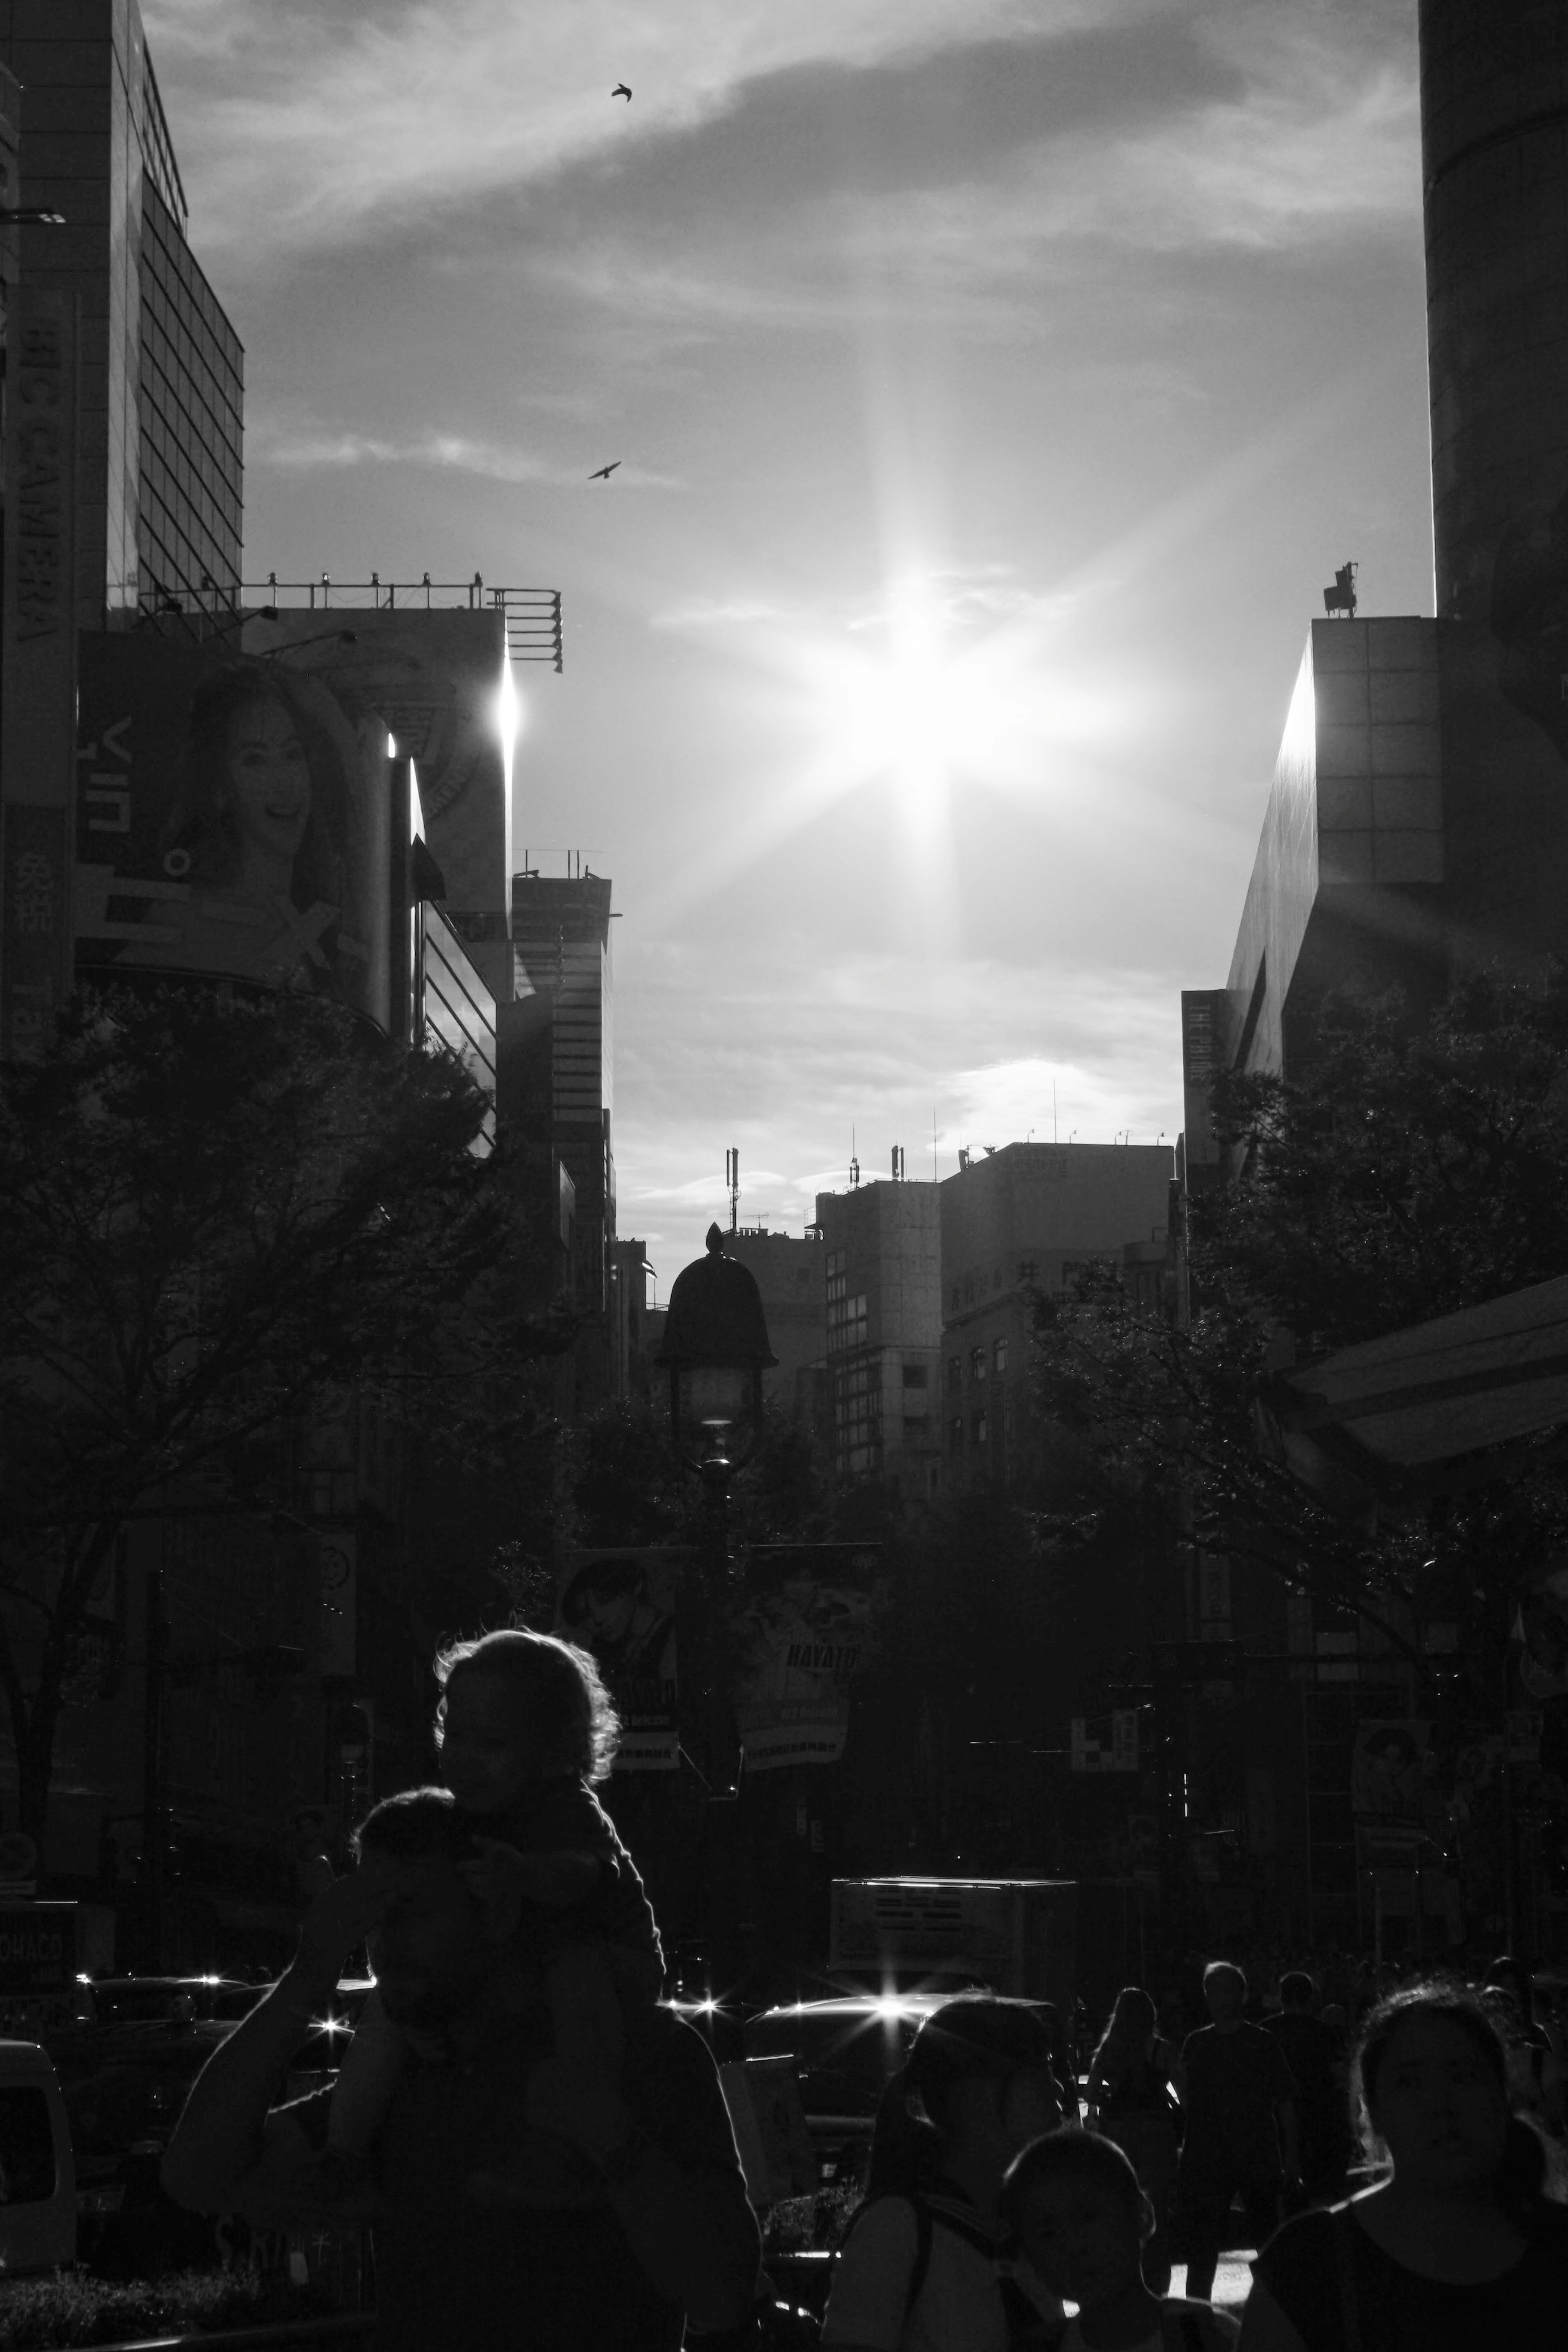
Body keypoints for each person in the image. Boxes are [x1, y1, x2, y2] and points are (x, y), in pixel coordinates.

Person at [160, 1786, 758, 2352]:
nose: (385, 1944)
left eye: (413, 1912)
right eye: (374, 1918)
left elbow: (723, 2297)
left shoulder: (646, 2051)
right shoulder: (400, 2079)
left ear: (497, 1912)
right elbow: (196, 2177)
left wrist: (610, 2137)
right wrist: (306, 1975)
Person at [327, 1629, 664, 2160]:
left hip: (614, 1967)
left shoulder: (563, 1805)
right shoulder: (460, 1819)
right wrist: (418, 2009)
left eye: (492, 1744)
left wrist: (526, 1873)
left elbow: (586, 1874)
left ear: (554, 1749)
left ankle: (588, 2124)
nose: (466, 1758)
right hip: (520, 1967)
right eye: (456, 1736)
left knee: (575, 1971)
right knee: (394, 2002)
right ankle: (342, 2150)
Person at [1240, 1979, 1568, 2350]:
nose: (1441, 2103)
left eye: (1464, 2075)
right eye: (1409, 2082)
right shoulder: (1308, 2268)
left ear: (1503, 2096)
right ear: (1374, 2110)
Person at [821, 1995, 1066, 2351]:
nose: (1057, 2087)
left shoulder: (1020, 2230)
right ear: (978, 2095)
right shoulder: (894, 2229)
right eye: (1041, 2067)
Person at [1003, 2125, 1239, 2350]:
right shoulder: (1208, 2335)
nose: (1073, 2245)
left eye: (1088, 2217)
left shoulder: (1211, 2339)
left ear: (1142, 2217)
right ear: (1027, 2256)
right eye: (1049, 2233)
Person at [1175, 1962, 1299, 2301]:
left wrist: (1293, 2157)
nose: (1217, 1998)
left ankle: (1279, 2307)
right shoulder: (1197, 2043)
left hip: (1253, 2153)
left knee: (1265, 2239)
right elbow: (1188, 2100)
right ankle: (1197, 2316)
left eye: (1224, 1990)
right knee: (1205, 2249)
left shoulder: (1259, 2041)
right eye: (1212, 1991)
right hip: (1212, 2157)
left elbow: (1285, 2101)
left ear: (1241, 1995)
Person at [1087, 1987, 1185, 2292]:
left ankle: (1124, 2278)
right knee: (1157, 2207)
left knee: (1121, 2205)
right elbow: (1185, 2093)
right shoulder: (1162, 2050)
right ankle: (1157, 2283)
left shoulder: (1110, 2050)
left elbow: (1090, 2093)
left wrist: (1113, 2098)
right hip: (1156, 2132)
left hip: (1118, 2132)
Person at [1263, 1976, 1351, 2204]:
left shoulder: (1266, 2031)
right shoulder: (1324, 2032)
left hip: (1277, 2120)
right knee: (1319, 2190)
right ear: (1311, 1998)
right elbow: (1340, 2076)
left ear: (1281, 1998)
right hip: (1318, 2117)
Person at [1485, 1955, 1565, 2136]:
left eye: (1513, 1988)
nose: (1506, 1996)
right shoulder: (1479, 2044)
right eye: (1501, 1988)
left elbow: (1557, 2105)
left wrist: (1523, 2104)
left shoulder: (1540, 2040)